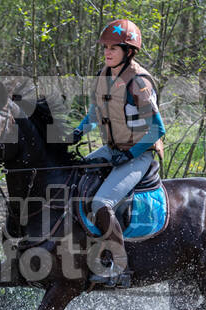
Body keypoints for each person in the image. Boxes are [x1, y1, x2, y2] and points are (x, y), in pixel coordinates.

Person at [69, 19, 166, 287]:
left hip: (140, 154)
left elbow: (157, 130)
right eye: (105, 48)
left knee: (102, 203)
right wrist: (79, 130)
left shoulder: (140, 83)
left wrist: (131, 153)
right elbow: (94, 111)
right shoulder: (105, 75)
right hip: (113, 150)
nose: (107, 52)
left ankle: (118, 266)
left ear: (129, 51)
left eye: (114, 48)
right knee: (70, 177)